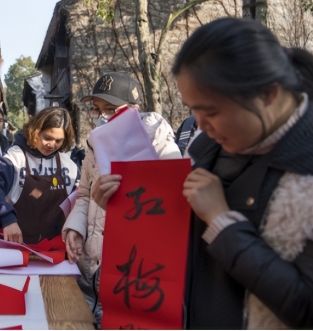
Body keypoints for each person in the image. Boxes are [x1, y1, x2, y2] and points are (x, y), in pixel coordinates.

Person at [92, 18, 313, 329]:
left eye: (211, 112)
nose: (200, 125)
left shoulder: (304, 175)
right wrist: (125, 209)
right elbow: (177, 239)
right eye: (192, 110)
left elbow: (304, 307)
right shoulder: (206, 146)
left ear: (269, 95)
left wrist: (222, 223)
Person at [61, 71, 181, 327]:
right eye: (97, 109)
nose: (102, 116)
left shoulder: (157, 141)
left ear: (134, 109)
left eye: (111, 108)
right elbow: (84, 195)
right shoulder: (93, 145)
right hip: (89, 271)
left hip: (129, 272)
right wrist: (74, 227)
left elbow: (170, 204)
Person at [0, 107, 79, 244]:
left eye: (58, 141)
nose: (52, 145)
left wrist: (76, 228)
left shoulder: (68, 165)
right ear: (35, 132)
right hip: (15, 243)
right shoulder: (14, 158)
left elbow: (79, 203)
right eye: (47, 138)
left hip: (55, 247)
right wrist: (6, 219)